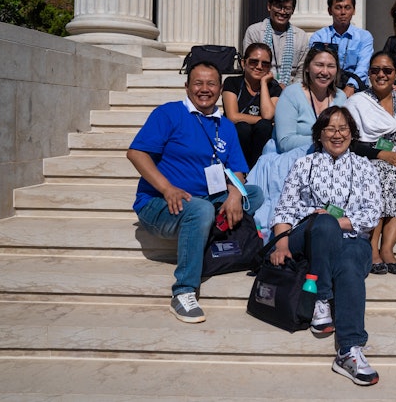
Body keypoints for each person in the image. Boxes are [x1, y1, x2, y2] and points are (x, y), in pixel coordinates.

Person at [127, 62, 261, 323]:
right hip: (160, 203)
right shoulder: (168, 114)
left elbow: (238, 170)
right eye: (198, 83)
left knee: (254, 194)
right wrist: (166, 188)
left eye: (211, 84)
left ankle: (205, 227)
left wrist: (234, 193)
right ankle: (183, 291)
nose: (204, 89)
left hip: (205, 199)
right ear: (187, 86)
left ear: (220, 89)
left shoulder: (225, 125)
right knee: (200, 209)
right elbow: (136, 153)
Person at [270, 106, 382, 386]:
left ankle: (349, 349)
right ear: (319, 134)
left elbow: (371, 215)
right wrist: (281, 242)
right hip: (306, 237)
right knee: (321, 225)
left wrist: (336, 221)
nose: (337, 134)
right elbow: (284, 208)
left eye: (343, 128)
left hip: (351, 241)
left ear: (352, 134)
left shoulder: (365, 167)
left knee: (350, 260)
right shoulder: (304, 164)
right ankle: (322, 298)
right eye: (330, 128)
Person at [245, 44, 347, 241]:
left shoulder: (341, 97)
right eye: (319, 65)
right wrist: (325, 138)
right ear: (308, 67)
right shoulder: (292, 93)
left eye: (330, 66)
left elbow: (344, 134)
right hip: (290, 158)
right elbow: (285, 141)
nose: (324, 71)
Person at [346, 51, 396, 275]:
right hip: (370, 155)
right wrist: (382, 154)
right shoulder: (357, 101)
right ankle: (372, 248)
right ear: (368, 74)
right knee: (379, 175)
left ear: (395, 74)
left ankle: (387, 249)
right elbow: (351, 143)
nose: (381, 74)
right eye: (375, 70)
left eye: (387, 70)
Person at [222, 43, 282, 169]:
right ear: (243, 63)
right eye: (254, 62)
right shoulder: (232, 82)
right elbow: (233, 116)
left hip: (260, 145)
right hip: (236, 139)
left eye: (264, 64)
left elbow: (268, 115)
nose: (259, 67)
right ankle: (240, 170)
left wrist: (264, 83)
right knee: (243, 127)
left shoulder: (274, 88)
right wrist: (263, 120)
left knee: (264, 127)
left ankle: (256, 170)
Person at [308, 0, 375, 96]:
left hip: (356, 89)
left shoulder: (364, 37)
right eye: (338, 8)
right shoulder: (319, 36)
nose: (343, 12)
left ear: (354, 11)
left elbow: (363, 66)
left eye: (347, 7)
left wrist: (350, 86)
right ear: (330, 11)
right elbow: (315, 65)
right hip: (326, 87)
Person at [243, 0, 310, 86]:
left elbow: (302, 70)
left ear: (293, 10)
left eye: (287, 8)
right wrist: (273, 87)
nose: (282, 12)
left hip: (291, 90)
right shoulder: (254, 31)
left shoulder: (301, 36)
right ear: (269, 6)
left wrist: (290, 90)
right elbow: (250, 66)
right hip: (260, 87)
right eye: (279, 7)